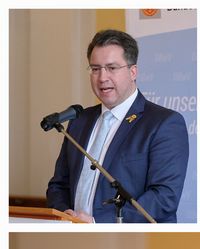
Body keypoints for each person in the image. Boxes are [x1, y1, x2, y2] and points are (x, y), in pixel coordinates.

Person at [46, 29, 189, 223]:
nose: (102, 77)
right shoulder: (79, 120)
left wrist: (99, 222)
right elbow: (58, 185)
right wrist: (65, 214)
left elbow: (164, 197)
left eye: (111, 68)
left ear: (132, 71)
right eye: (95, 69)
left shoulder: (164, 123)